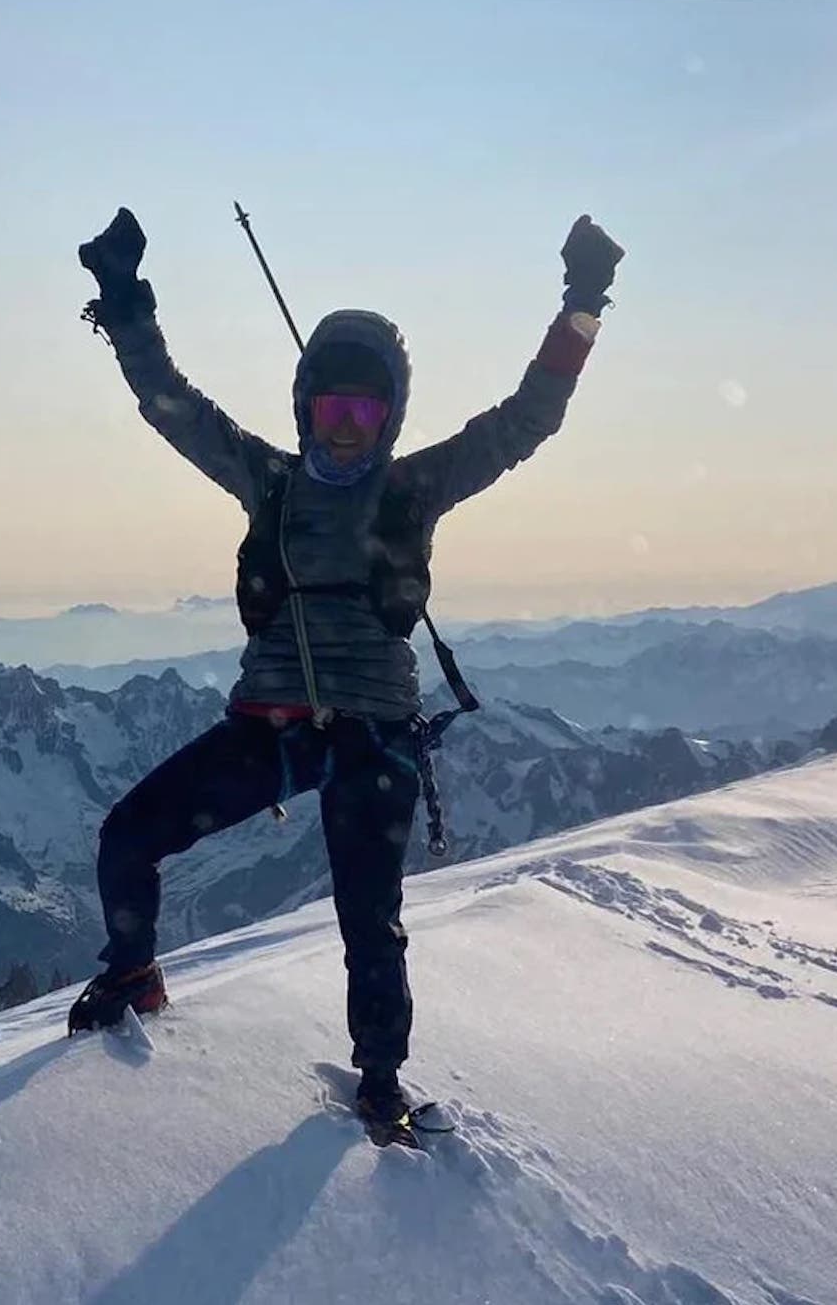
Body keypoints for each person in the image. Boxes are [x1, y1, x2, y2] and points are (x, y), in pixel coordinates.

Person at [65, 205, 623, 1127]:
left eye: (366, 411)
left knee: (371, 918)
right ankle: (134, 976)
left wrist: (584, 302)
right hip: (272, 726)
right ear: (307, 407)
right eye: (333, 407)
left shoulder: (414, 488)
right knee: (129, 835)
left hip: (371, 732)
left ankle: (380, 1082)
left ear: (391, 416)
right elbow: (169, 402)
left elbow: (531, 418)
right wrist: (125, 300)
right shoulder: (270, 480)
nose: (348, 429)